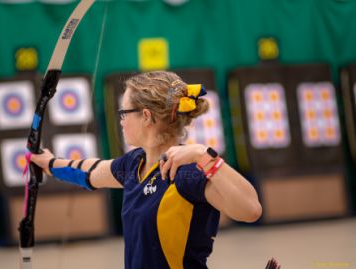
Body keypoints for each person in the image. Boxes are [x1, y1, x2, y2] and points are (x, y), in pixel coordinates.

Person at [31, 71, 262, 269]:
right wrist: (50, 163)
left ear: (145, 116)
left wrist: (204, 156)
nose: (120, 120)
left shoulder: (187, 173)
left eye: (124, 113)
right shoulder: (134, 164)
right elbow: (91, 171)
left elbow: (250, 210)